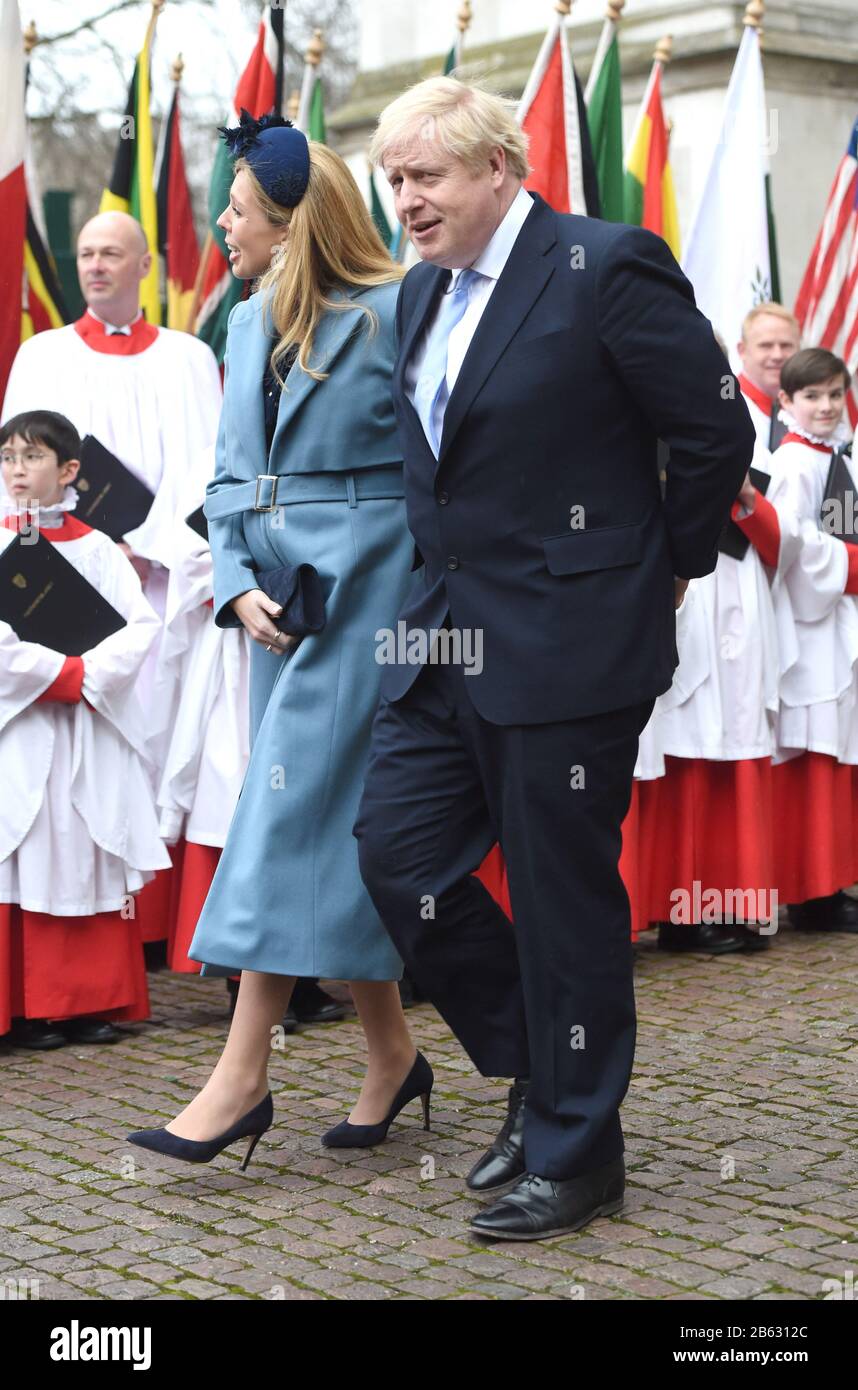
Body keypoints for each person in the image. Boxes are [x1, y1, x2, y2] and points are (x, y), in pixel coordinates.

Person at [355, 76, 754, 1241]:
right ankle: (543, 1068)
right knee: (399, 856)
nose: (407, 200)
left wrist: (662, 569)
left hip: (573, 648)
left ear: (498, 170)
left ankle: (579, 1153)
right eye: (394, 180)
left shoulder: (605, 264)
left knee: (564, 904)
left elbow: (714, 425)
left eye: (425, 176)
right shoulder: (421, 296)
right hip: (444, 638)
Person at [126, 115, 430, 1168]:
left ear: (297, 222)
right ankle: (391, 1051)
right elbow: (225, 477)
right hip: (274, 609)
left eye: (241, 209)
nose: (223, 223)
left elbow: (439, 464)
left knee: (283, 812)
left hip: (373, 594)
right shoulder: (246, 318)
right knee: (327, 820)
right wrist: (238, 587)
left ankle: (241, 1072)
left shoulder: (399, 310)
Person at [1, 210, 224, 950]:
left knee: (166, 735)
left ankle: (162, 926)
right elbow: (18, 477)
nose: (96, 265)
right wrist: (77, 545)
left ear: (145, 267)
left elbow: (209, 470)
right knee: (84, 755)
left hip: (168, 584)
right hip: (71, 587)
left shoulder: (190, 358)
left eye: (112, 254)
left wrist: (160, 543)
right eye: (86, 253)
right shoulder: (43, 354)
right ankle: (108, 933)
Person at [0, 411, 168, 1048]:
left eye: (33, 458)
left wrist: (87, 676)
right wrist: (58, 675)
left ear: (69, 471)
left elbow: (139, 627)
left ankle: (81, 1002)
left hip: (84, 727)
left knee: (80, 844)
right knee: (17, 846)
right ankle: (16, 1006)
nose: (18, 470)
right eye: (9, 458)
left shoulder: (96, 548)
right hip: (18, 726)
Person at [765, 348, 858, 933]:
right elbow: (788, 545)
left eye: (833, 394)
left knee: (838, 751)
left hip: (839, 624)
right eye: (812, 397)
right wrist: (849, 564)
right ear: (788, 403)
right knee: (814, 757)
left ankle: (832, 883)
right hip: (810, 631)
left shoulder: (836, 456)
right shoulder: (793, 464)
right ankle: (812, 892)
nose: (825, 407)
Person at [737, 304, 801, 454]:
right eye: (766, 346)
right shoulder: (727, 405)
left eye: (786, 345)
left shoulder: (813, 406)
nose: (777, 355)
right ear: (742, 350)